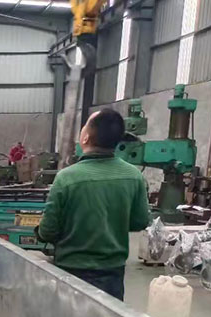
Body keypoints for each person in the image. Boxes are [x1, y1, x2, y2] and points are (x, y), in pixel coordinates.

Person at [38, 108, 150, 300]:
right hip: (112, 273)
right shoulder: (134, 176)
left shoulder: (66, 178)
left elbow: (48, 231)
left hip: (71, 271)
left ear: (86, 138)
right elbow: (140, 221)